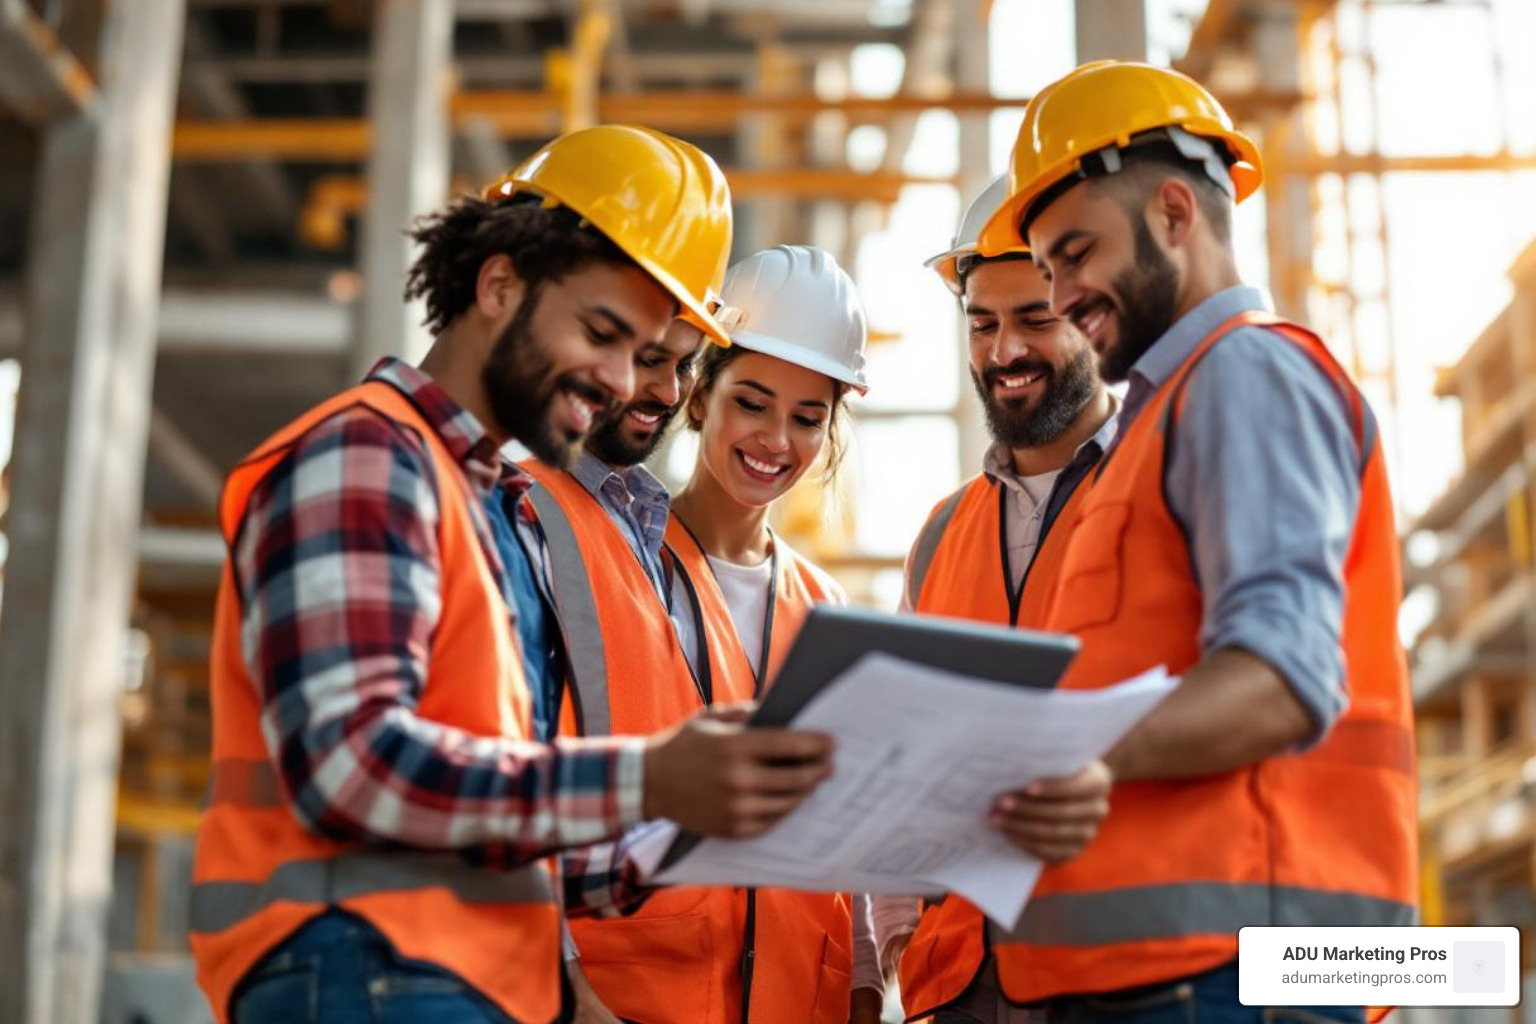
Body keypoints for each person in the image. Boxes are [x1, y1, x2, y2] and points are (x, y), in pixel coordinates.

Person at [189, 125, 835, 1024]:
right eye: (604, 334)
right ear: (498, 282)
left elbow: (481, 818)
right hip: (360, 969)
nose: (619, 382)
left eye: (650, 355)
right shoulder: (370, 455)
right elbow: (356, 770)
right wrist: (647, 778)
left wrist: (688, 824)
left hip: (452, 980)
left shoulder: (487, 508)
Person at [971, 60, 1418, 1023]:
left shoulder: (1244, 374)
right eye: (1048, 267)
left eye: (1076, 253)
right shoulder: (1158, 419)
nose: (1064, 292)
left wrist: (1082, 757)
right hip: (1171, 974)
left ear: (1174, 212)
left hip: (1232, 972)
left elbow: (1284, 673)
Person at [522, 243, 883, 1024]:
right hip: (631, 1000)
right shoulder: (598, 553)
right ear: (698, 396)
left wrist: (864, 991)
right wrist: (568, 986)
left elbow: (845, 845)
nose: (776, 440)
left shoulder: (830, 612)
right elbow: (533, 774)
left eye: (807, 416)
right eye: (752, 402)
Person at [872, 175, 1117, 1024]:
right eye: (983, 323)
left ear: (1089, 313)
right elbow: (907, 751)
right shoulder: (943, 535)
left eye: (1035, 318)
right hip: (969, 982)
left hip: (1120, 968)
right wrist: (901, 931)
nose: (1004, 349)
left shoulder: (1164, 482)